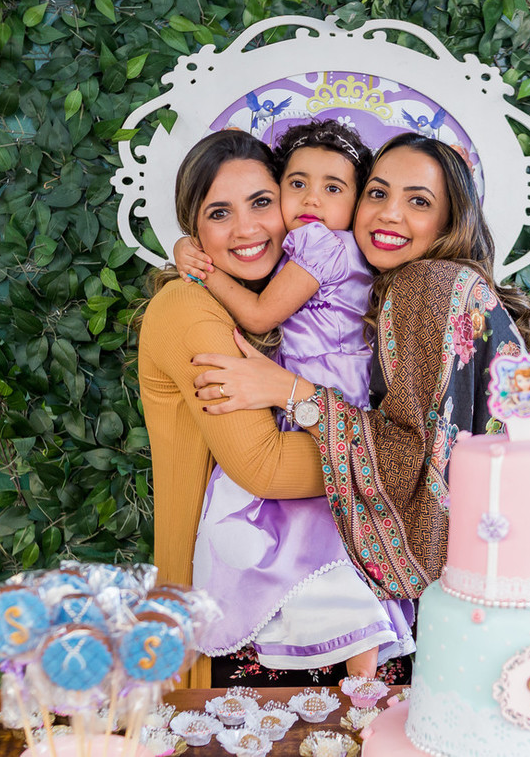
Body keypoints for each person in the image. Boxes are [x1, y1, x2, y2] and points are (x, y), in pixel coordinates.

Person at [192, 132, 530, 600]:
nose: (390, 214)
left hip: (515, 581)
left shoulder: (424, 285)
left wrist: (291, 392)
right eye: (378, 194)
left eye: (418, 201)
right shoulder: (407, 283)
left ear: (448, 221)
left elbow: (410, 463)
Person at [137, 129, 407, 688]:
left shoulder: (298, 280)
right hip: (219, 615)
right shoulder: (189, 307)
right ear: (193, 229)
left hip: (278, 594)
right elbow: (265, 467)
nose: (246, 229)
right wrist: (404, 463)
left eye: (261, 202)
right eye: (219, 213)